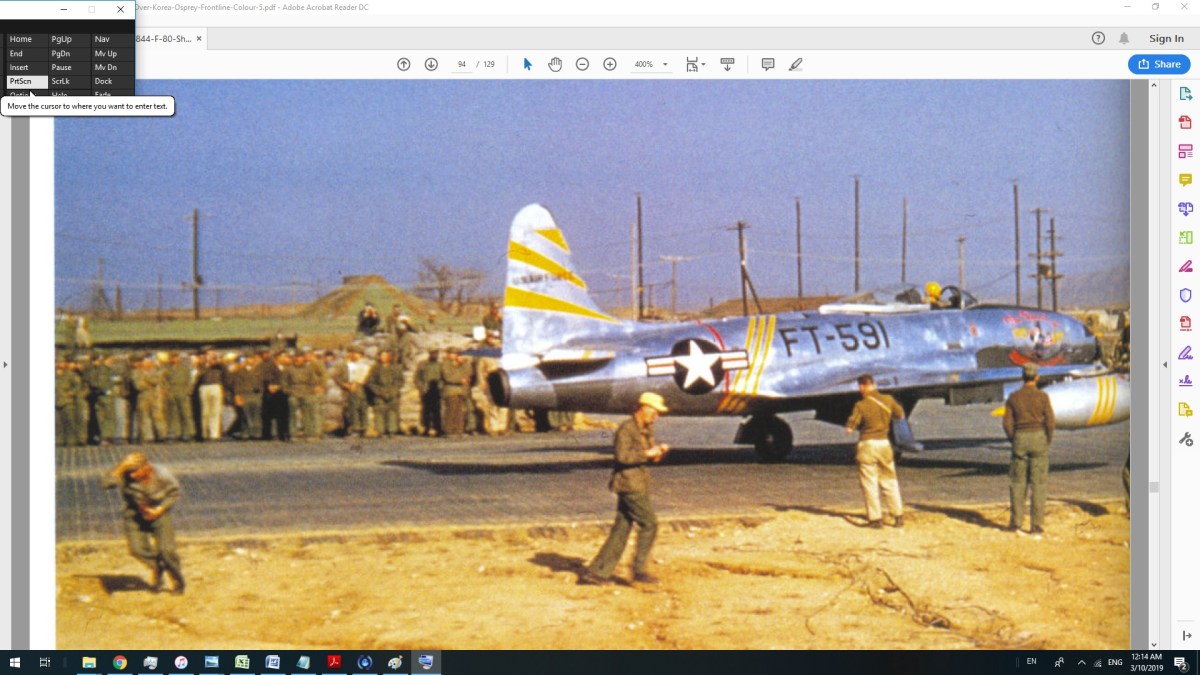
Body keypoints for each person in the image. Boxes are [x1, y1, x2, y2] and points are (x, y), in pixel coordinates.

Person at [579, 392, 670, 586]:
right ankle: (639, 570)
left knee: (621, 528)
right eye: (655, 412)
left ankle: (597, 573)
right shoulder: (626, 429)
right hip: (629, 484)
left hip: (638, 482)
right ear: (644, 408)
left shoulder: (646, 428)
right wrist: (648, 453)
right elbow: (622, 457)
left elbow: (645, 455)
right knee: (650, 524)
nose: (657, 416)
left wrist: (657, 453)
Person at [102, 452, 185, 593]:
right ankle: (158, 567)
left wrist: (160, 509)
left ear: (146, 467)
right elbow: (106, 484)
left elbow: (174, 493)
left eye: (136, 471)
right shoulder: (124, 473)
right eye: (129, 472)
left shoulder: (161, 474)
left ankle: (177, 579)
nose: (132, 475)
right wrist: (121, 467)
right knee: (137, 549)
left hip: (158, 513)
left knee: (166, 551)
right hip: (134, 513)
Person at [844, 374, 905, 529]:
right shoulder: (888, 400)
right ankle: (898, 516)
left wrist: (851, 426)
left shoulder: (861, 405)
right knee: (889, 480)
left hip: (867, 444)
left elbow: (850, 427)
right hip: (884, 444)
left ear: (862, 387)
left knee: (869, 482)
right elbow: (900, 414)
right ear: (874, 384)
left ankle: (875, 519)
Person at [1003, 362, 1055, 536]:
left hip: (1020, 438)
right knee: (1039, 484)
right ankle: (1037, 525)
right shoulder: (1043, 397)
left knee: (1018, 483)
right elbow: (1050, 422)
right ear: (1037, 377)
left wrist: (1014, 439)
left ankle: (1016, 523)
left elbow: (1007, 423)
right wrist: (1046, 439)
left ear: (1022, 377)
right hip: (1039, 438)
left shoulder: (1013, 397)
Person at [439, 347, 473, 437]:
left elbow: (468, 373)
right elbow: (448, 377)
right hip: (450, 390)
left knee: (459, 411)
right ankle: (448, 430)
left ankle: (459, 430)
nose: (455, 356)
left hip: (461, 391)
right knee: (451, 410)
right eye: (453, 354)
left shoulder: (461, 364)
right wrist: (460, 380)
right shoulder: (445, 364)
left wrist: (464, 363)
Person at [415, 349, 442, 436]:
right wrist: (421, 387)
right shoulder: (423, 365)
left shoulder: (440, 365)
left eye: (436, 353)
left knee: (437, 410)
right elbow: (417, 377)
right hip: (426, 390)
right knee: (426, 410)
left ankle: (437, 428)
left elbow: (443, 377)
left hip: (437, 390)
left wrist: (441, 387)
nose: (435, 355)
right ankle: (426, 428)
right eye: (433, 353)